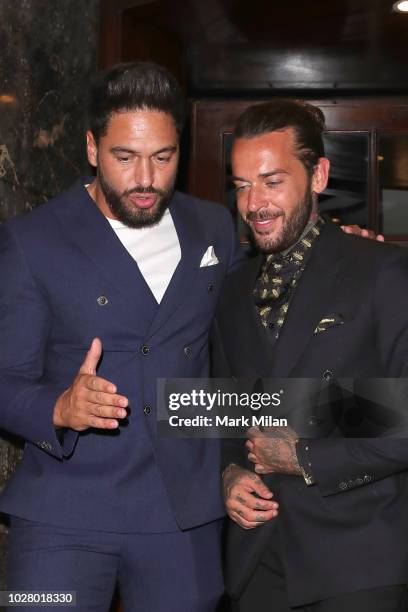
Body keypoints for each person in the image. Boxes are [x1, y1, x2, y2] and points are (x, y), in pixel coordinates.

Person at [0, 62, 241, 612]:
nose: (146, 179)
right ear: (91, 147)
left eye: (163, 157)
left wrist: (334, 255)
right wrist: (59, 406)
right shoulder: (31, 240)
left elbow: (248, 322)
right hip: (63, 513)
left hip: (181, 515)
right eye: (124, 157)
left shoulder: (214, 228)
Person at [213, 99, 408, 611]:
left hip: (358, 562)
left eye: (272, 181)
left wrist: (301, 454)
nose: (255, 202)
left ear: (318, 174)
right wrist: (228, 474)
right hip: (257, 561)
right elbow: (226, 411)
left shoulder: (381, 271)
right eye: (241, 185)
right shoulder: (230, 291)